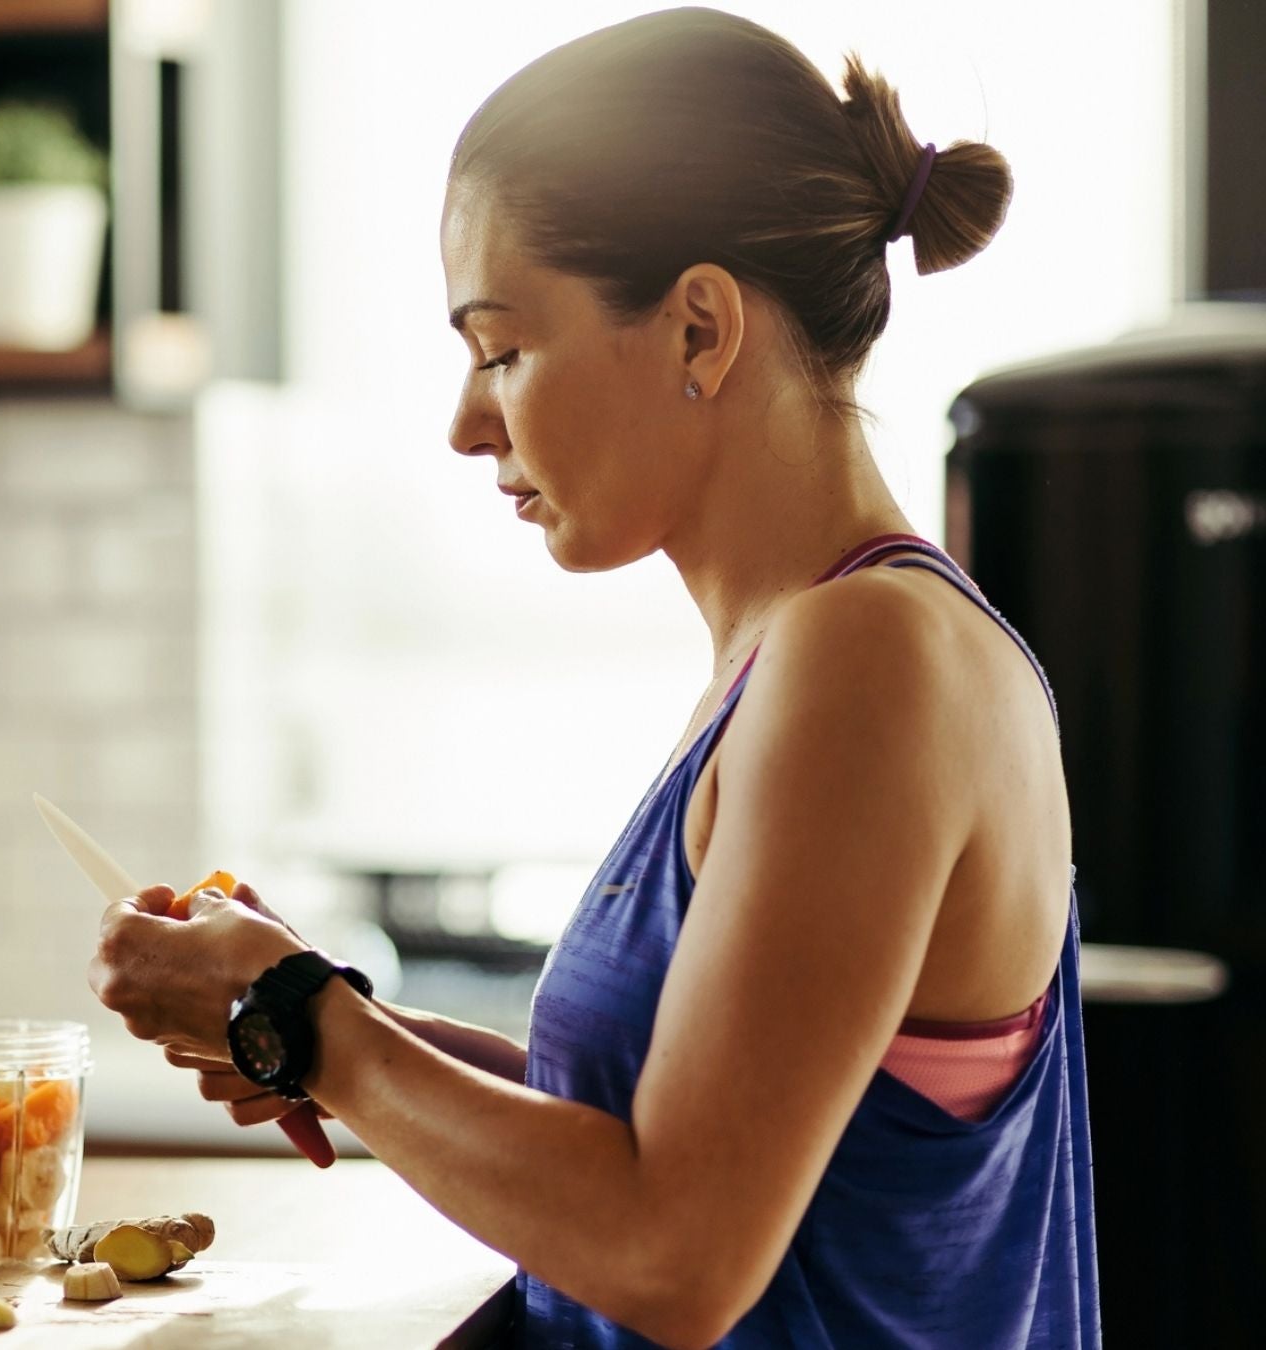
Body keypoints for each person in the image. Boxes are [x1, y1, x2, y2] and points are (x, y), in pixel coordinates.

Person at [85, 8, 1098, 1348]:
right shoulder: (808, 654)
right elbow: (670, 1127)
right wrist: (327, 1021)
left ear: (698, 329)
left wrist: (308, 1023)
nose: (466, 420)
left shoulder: (870, 663)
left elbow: (678, 1249)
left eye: (501, 347)